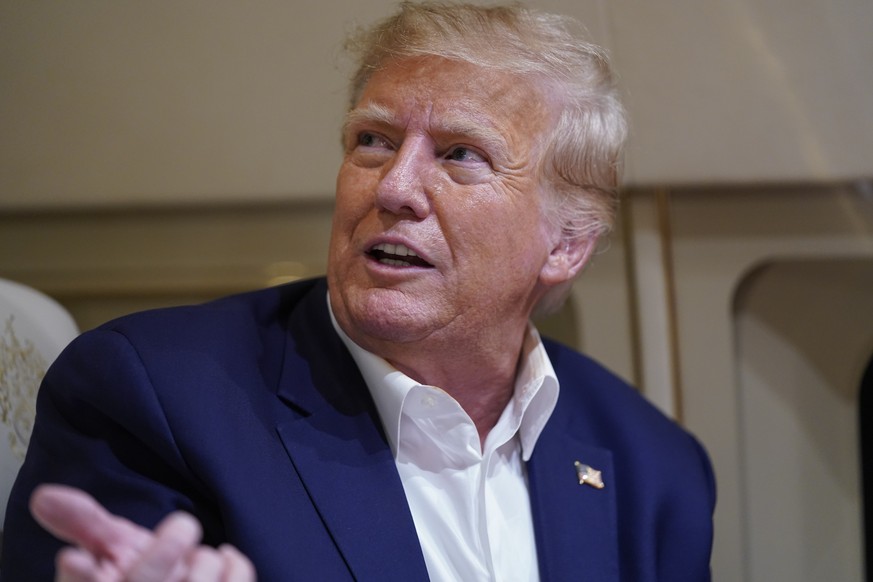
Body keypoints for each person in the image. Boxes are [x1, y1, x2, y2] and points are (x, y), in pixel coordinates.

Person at [1, 2, 715, 581]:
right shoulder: (151, 395)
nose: (395, 187)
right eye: (372, 141)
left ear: (564, 246)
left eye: (460, 154)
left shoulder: (656, 471)